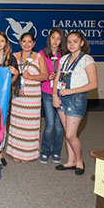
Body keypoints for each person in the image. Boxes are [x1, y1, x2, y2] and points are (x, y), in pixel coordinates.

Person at [53, 31, 97, 176]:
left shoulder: (87, 60)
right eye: (69, 42)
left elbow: (93, 84)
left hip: (76, 99)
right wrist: (55, 95)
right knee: (67, 133)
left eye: (75, 41)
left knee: (72, 134)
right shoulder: (64, 59)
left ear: (82, 43)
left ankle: (79, 161)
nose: (71, 44)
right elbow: (57, 79)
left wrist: (71, 91)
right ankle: (70, 161)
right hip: (62, 98)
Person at [6, 33, 48, 163]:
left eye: (30, 42)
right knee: (17, 124)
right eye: (24, 41)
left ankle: (28, 153)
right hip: (18, 95)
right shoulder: (14, 56)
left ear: (34, 43)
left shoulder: (39, 57)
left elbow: (45, 76)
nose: (27, 44)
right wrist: (14, 88)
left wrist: (31, 77)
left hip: (32, 97)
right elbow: (9, 76)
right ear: (20, 42)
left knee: (30, 125)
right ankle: (16, 152)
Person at [0, 31, 19, 167]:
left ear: (6, 43)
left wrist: (16, 74)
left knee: (2, 125)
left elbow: (13, 81)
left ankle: (0, 153)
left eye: (1, 41)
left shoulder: (11, 58)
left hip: (5, 97)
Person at [39, 28, 66, 164]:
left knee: (60, 125)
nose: (55, 41)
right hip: (47, 93)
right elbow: (39, 73)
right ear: (49, 38)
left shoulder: (66, 55)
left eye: (58, 38)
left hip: (61, 94)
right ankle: (44, 151)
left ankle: (56, 151)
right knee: (49, 123)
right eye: (53, 37)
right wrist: (47, 77)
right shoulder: (42, 54)